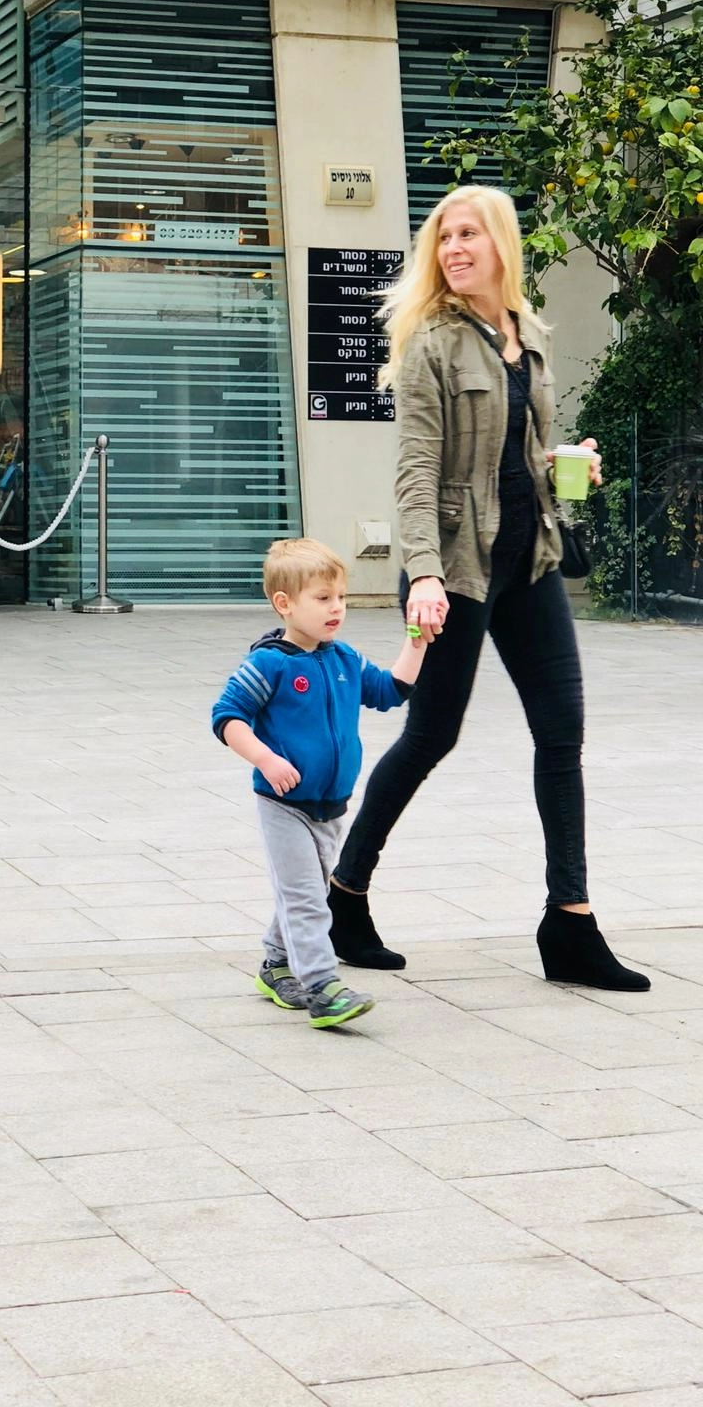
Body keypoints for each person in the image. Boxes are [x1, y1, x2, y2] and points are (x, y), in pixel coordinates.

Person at [327, 183, 649, 993]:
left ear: (502, 243)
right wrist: (424, 576)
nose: (455, 248)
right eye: (443, 237)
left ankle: (569, 923)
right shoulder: (429, 344)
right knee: (431, 736)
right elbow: (415, 472)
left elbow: (517, 452)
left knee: (562, 732)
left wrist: (564, 460)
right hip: (455, 570)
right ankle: (345, 894)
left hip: (529, 558)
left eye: (469, 233)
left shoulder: (525, 337)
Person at [211, 537, 427, 1027]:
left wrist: (416, 644)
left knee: (301, 891)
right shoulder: (270, 663)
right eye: (323, 598)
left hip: (331, 807)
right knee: (309, 898)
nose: (337, 609)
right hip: (284, 804)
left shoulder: (344, 659)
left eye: (342, 598)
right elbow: (227, 717)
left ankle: (275, 962)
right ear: (284, 604)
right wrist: (266, 759)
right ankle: (323, 986)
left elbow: (391, 691)